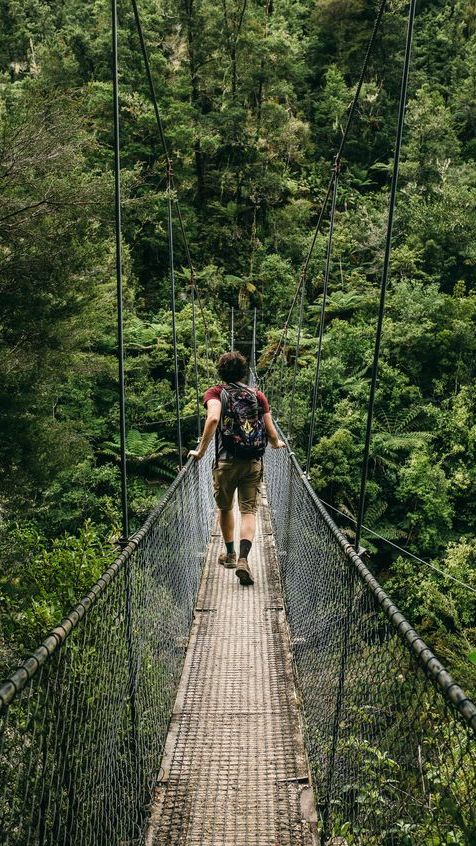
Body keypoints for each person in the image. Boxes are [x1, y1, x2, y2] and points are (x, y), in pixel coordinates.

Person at [188, 351, 285, 586]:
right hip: (253, 461)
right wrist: (277, 443)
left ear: (220, 373)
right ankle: (244, 559)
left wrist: (200, 451)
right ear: (244, 373)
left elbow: (212, 420)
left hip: (226, 462)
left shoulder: (215, 393)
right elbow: (272, 434)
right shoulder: (257, 395)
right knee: (249, 511)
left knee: (225, 508)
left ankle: (230, 554)